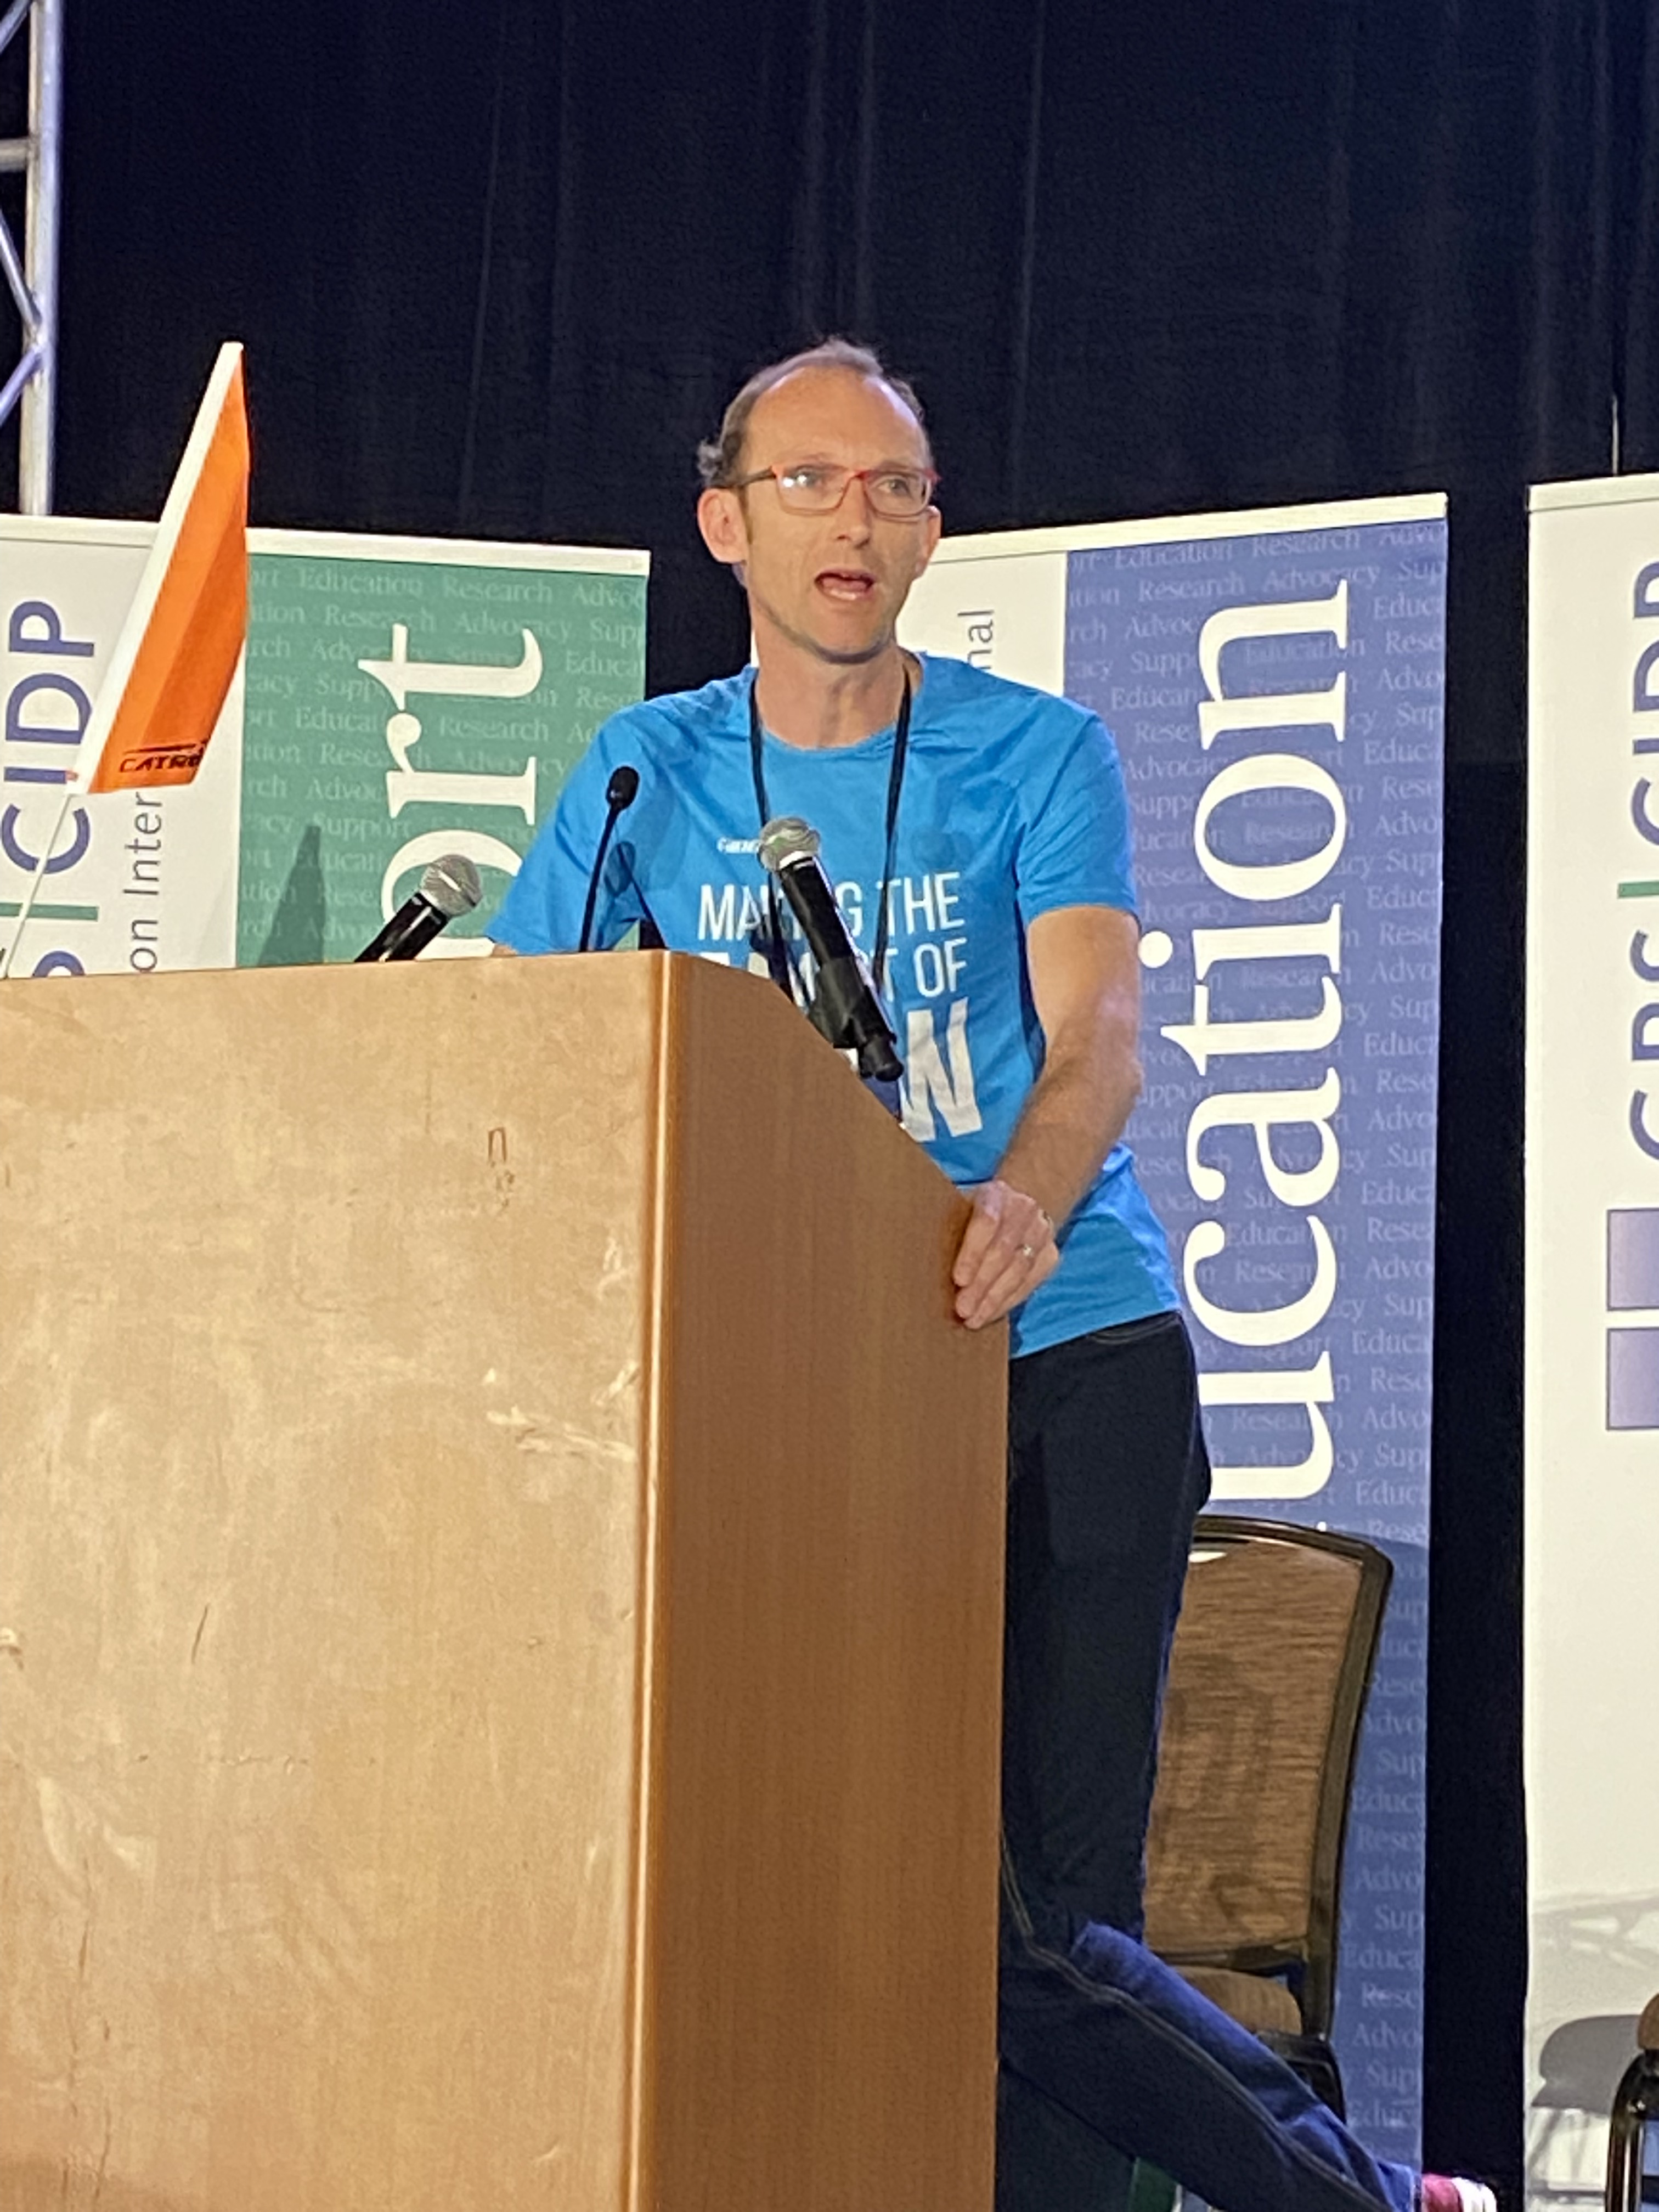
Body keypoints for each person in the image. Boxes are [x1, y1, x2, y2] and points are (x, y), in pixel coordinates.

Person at [486, 339, 1496, 2212]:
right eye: (811, 481)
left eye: (898, 486)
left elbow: (1097, 1035)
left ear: (933, 531)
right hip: (810, 1403)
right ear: (725, 524)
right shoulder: (644, 775)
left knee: (1041, 1918)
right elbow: (528, 1039)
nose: (857, 518)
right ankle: (1376, 2196)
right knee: (899, 1907)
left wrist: (1021, 1199)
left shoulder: (1037, 751)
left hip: (1065, 1355)